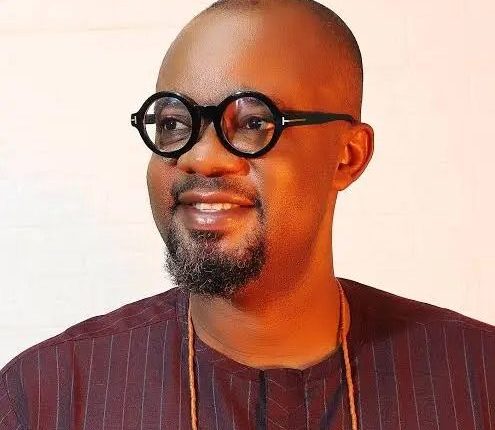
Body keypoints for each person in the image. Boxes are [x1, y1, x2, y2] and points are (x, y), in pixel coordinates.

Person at [1, 0, 494, 429]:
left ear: (348, 156)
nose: (200, 157)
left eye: (255, 122)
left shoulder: (477, 379)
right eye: (173, 123)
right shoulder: (48, 397)